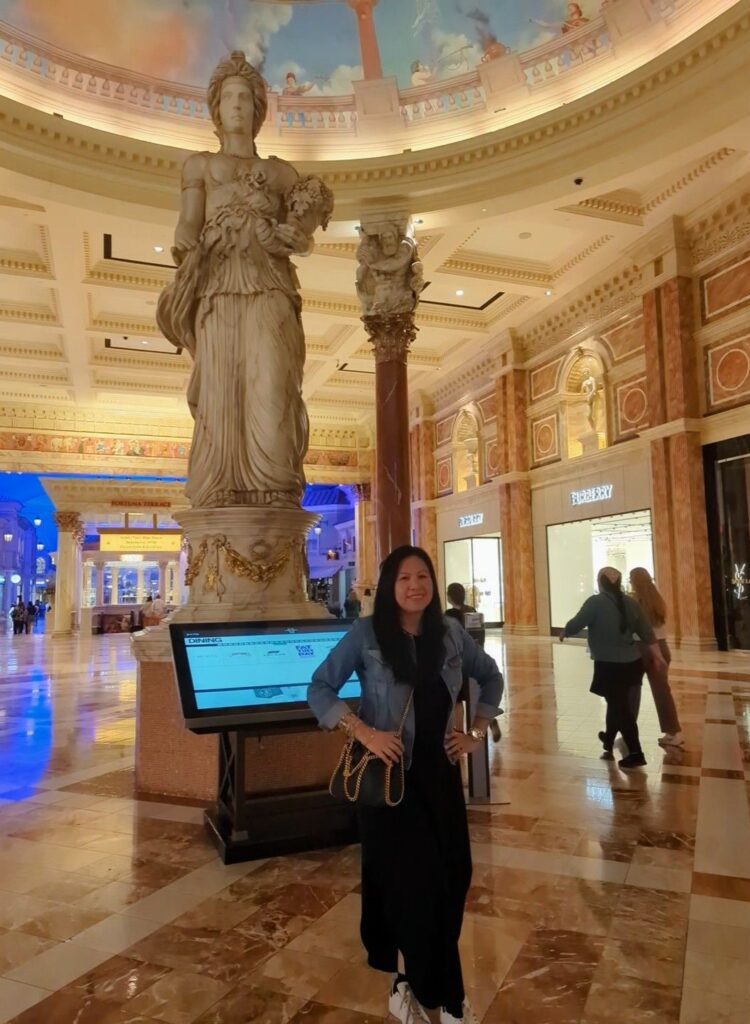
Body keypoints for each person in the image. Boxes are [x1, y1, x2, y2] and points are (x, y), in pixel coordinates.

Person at [308, 546, 504, 1024]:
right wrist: (364, 732)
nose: (415, 585)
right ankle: (444, 997)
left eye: (423, 576)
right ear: (390, 587)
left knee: (453, 878)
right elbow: (320, 688)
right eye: (404, 578)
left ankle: (410, 982)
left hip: (439, 780)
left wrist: (476, 732)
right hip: (390, 783)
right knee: (416, 891)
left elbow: (491, 678)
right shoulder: (367, 635)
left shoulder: (451, 635)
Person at [157, 50, 333, 511]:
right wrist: (190, 249)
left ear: (258, 111)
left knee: (273, 386)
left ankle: (273, 486)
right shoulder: (198, 167)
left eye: (245, 98)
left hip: (270, 284)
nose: (237, 105)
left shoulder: (281, 173)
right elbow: (185, 227)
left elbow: (301, 237)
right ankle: (220, 488)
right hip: (217, 287)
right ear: (217, 109)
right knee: (221, 392)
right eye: (229, 97)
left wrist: (286, 235)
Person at [560, 566, 665, 769]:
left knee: (620, 707)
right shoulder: (631, 603)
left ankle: (636, 752)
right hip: (632, 663)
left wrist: (566, 631)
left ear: (601, 583)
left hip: (610, 665)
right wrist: (658, 656)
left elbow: (577, 623)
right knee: (616, 702)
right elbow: (647, 632)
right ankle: (608, 739)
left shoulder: (596, 603)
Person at [628, 567, 684, 748]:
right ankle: (673, 732)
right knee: (662, 691)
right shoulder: (658, 600)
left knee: (632, 690)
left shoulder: (634, 601)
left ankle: (628, 730)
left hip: (640, 648)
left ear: (634, 581)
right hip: (662, 647)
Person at [445, 582, 501, 743]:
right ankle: (491, 721)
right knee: (477, 696)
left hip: (457, 664)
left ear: (449, 597)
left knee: (457, 701)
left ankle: (458, 732)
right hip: (475, 661)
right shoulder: (472, 611)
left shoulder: (449, 615)